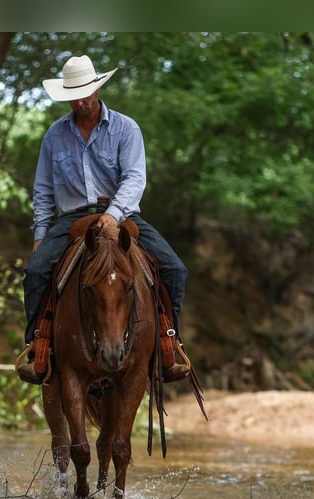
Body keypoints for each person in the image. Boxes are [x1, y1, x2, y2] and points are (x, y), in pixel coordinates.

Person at [18, 54, 190, 384]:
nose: (80, 100)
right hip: (71, 218)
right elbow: (43, 190)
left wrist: (112, 215)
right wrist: (40, 234)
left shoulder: (126, 128)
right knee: (36, 271)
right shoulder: (54, 136)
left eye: (85, 92)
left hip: (122, 214)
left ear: (97, 89)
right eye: (74, 95)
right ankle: (37, 347)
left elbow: (135, 179)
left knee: (173, 269)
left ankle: (169, 344)